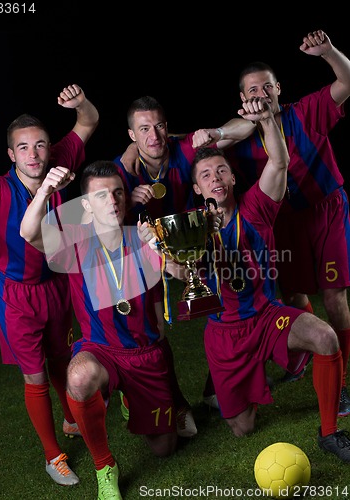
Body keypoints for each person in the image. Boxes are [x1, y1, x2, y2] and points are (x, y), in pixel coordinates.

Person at [186, 96, 350, 463]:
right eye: (206, 175)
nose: (216, 178)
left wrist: (266, 120)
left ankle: (329, 432)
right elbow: (179, 274)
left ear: (232, 176)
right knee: (242, 427)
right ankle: (252, 378)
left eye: (221, 171)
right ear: (197, 188)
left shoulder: (256, 206)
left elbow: (279, 161)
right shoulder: (189, 227)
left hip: (265, 317)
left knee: (324, 336)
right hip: (224, 335)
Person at [193, 30, 350, 406]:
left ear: (278, 88)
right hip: (285, 220)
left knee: (334, 295)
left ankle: (341, 382)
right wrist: (216, 131)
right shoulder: (238, 135)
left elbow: (347, 80)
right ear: (242, 100)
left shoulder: (305, 111)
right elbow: (224, 135)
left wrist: (329, 52)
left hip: (325, 208)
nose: (259, 95)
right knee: (293, 293)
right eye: (251, 92)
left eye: (265, 87)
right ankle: (298, 356)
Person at [20, 160, 190, 499]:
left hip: (146, 354)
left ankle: (133, 396)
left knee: (164, 449)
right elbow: (29, 232)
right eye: (101, 196)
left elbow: (184, 276)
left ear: (125, 199)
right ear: (86, 205)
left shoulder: (143, 236)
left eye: (117, 193)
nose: (112, 201)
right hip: (101, 351)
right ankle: (104, 466)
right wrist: (44, 192)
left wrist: (158, 251)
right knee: (79, 378)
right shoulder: (74, 246)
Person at [0, 84, 99, 486]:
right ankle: (53, 456)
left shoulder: (58, 163)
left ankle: (69, 419)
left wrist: (80, 103)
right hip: (16, 296)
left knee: (63, 358)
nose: (34, 155)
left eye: (40, 145)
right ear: (11, 155)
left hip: (56, 286)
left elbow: (89, 120)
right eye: (24, 148)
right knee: (35, 375)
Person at [115, 96, 255, 414]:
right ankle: (172, 402)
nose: (154, 136)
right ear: (131, 135)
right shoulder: (122, 169)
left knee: (230, 302)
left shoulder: (183, 148)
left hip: (193, 246)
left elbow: (247, 126)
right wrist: (129, 201)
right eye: (144, 129)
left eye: (160, 126)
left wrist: (215, 132)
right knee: (151, 330)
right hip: (143, 251)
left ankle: (214, 387)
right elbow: (98, 214)